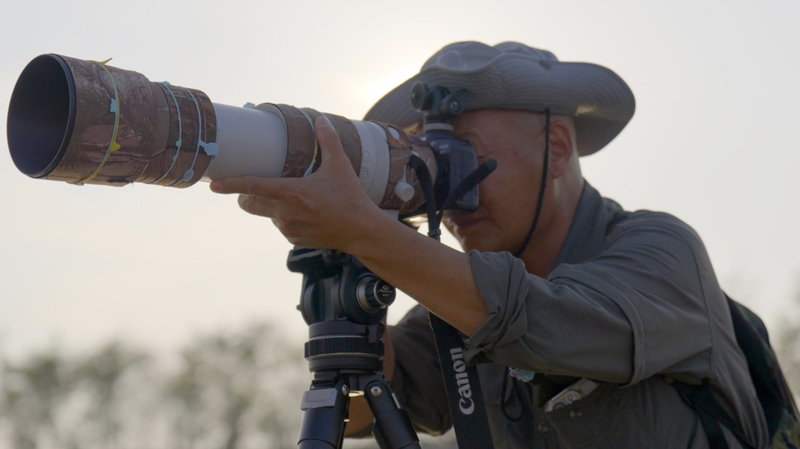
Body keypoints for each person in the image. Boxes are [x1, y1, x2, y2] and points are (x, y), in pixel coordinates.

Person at [210, 41, 769, 448]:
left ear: (555, 147)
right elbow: (364, 414)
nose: (450, 197)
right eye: (430, 166)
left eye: (462, 159)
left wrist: (363, 231)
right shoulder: (458, 303)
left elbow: (540, 320)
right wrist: (343, 276)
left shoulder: (660, 252)